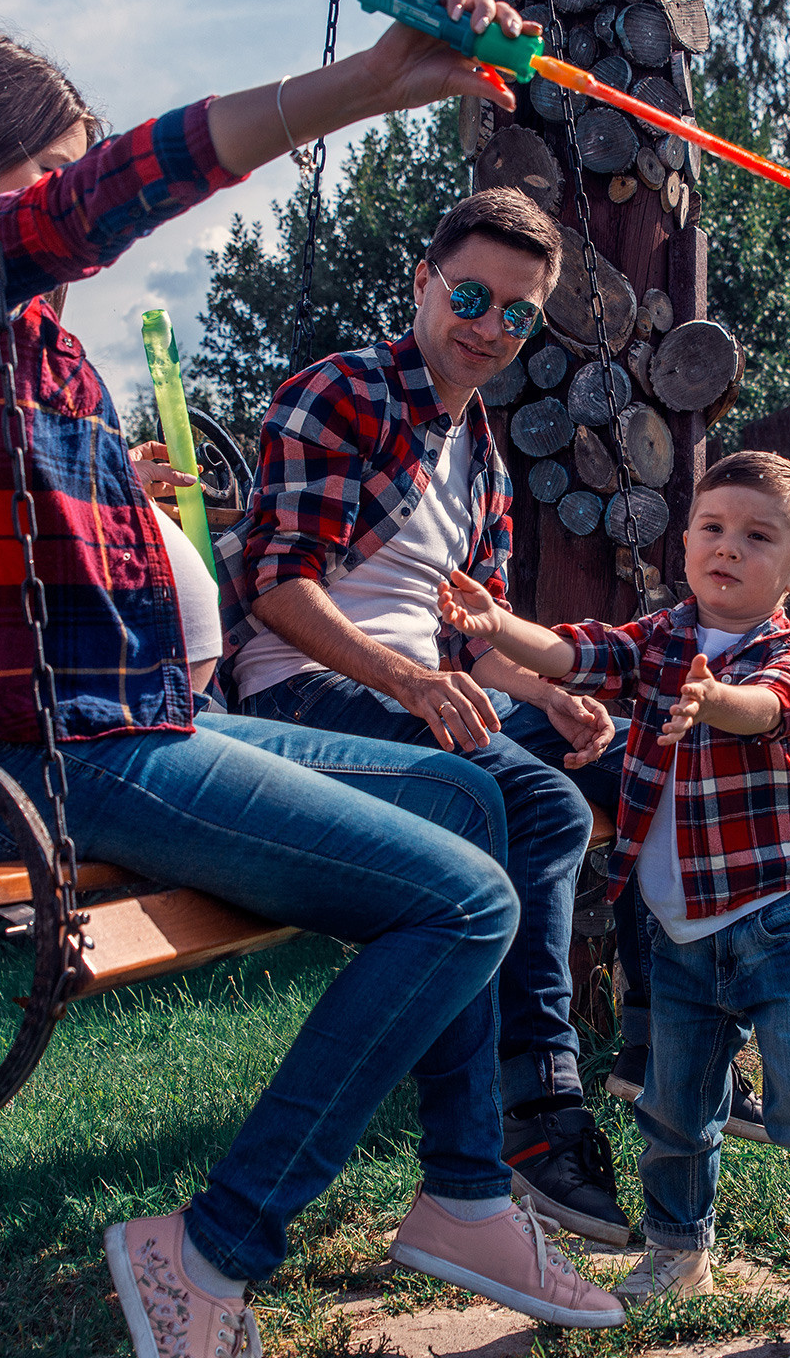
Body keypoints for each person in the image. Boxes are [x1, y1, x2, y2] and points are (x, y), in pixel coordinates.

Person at [0, 0, 622, 1358]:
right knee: (465, 900)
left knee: (490, 807)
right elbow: (89, 213)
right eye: (49, 172)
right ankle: (209, 1251)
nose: (59, 202)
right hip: (36, 757)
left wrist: (122, 479)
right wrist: (359, 88)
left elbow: (67, 538)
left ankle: (468, 1192)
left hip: (121, 722)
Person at [218, 188, 641, 1244]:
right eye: (470, 295)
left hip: (428, 693)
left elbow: (470, 636)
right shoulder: (343, 394)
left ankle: (677, 1053)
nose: (490, 326)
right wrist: (406, 681)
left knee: (639, 760)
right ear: (420, 283)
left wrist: (549, 692)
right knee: (538, 807)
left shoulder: (483, 455)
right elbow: (276, 586)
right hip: (300, 694)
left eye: (518, 314)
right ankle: (534, 1111)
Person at [436, 450, 790, 1340]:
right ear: (686, 539)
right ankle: (676, 1247)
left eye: (757, 536)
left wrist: (713, 697)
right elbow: (575, 651)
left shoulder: (785, 651)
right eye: (713, 528)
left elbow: (772, 709)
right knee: (672, 1104)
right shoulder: (659, 638)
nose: (728, 548)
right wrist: (496, 621)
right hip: (678, 932)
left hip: (774, 915)